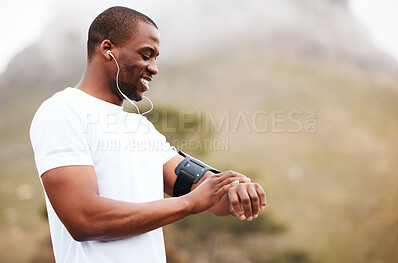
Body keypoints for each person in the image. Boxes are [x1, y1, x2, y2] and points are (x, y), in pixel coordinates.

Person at [30, 6, 266, 263]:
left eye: (156, 58)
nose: (154, 68)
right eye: (146, 55)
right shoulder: (63, 110)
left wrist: (235, 191)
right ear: (108, 49)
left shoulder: (142, 129)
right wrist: (190, 203)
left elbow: (207, 191)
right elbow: (85, 220)